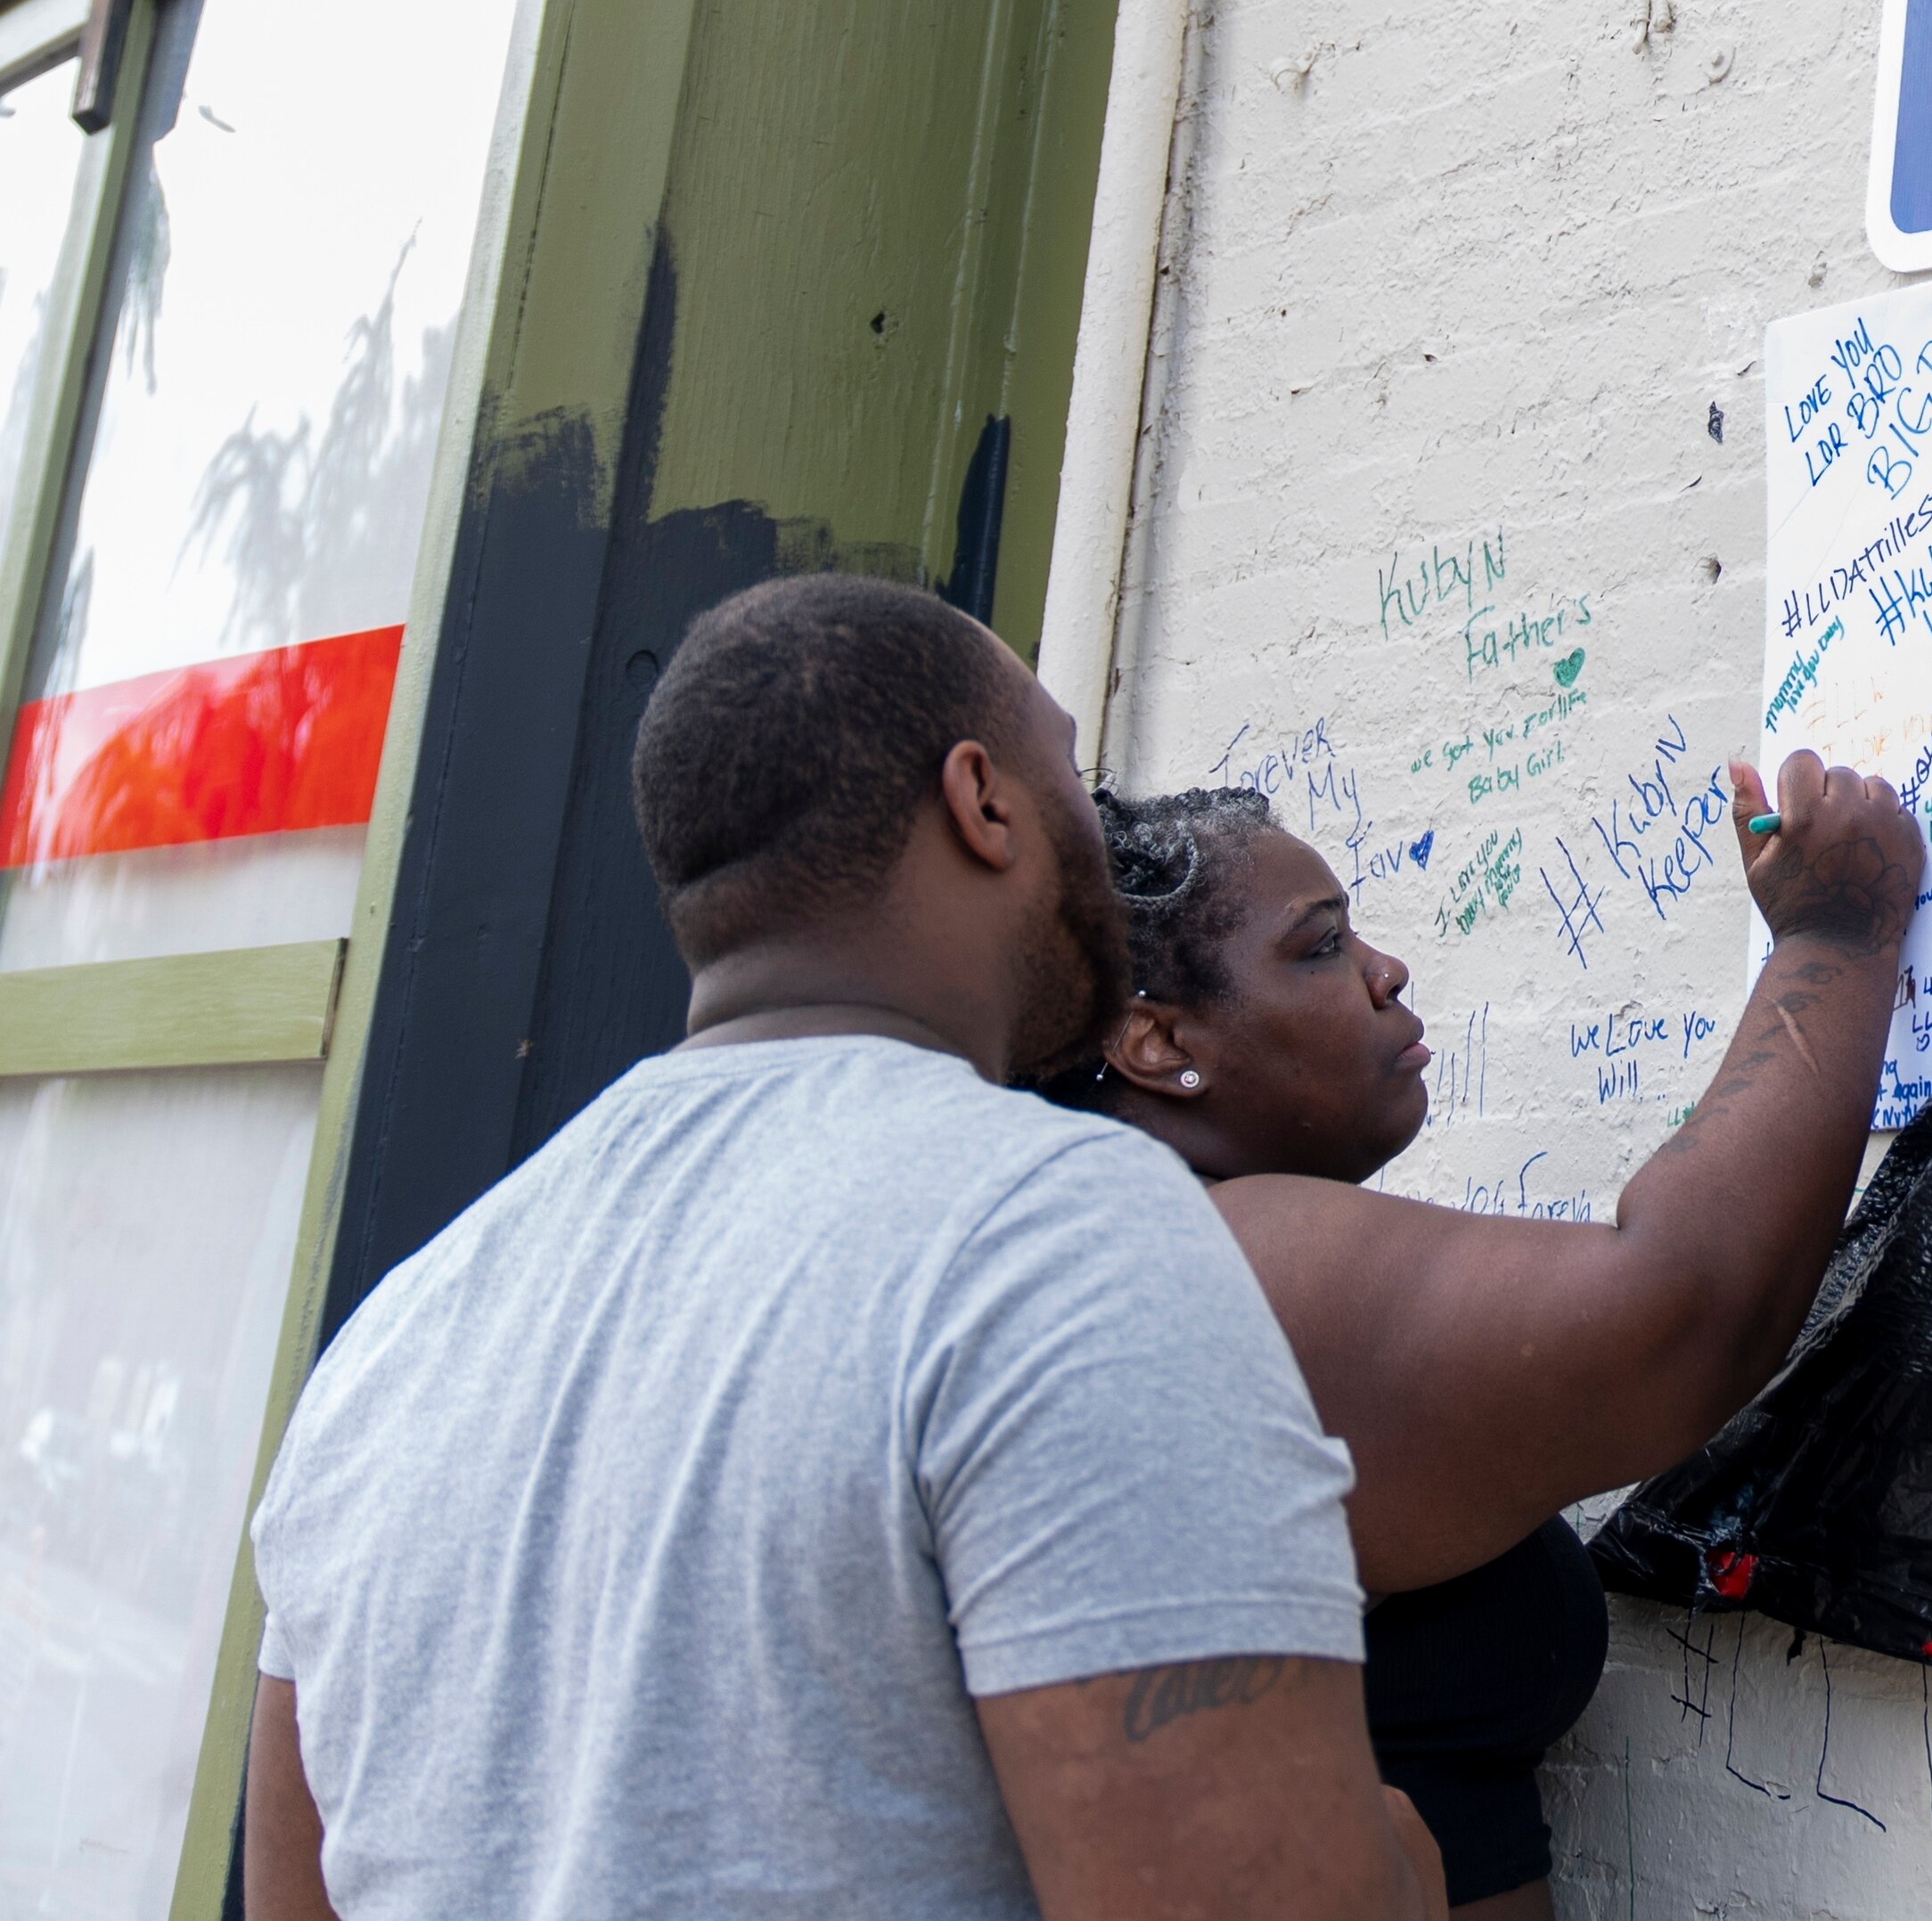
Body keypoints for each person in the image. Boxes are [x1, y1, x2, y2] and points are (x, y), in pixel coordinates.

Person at [242, 576, 1445, 1921]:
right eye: (1062, 757)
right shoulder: (1051, 1238)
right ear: (982, 800)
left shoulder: (386, 1348)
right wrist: (1397, 1848)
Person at [1037, 750, 1921, 1917]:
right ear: (1155, 1044)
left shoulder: (1141, 1251)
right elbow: (1686, 1307)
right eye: (1319, 946)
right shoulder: (1213, 1266)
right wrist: (1838, 935)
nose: (1384, 970)